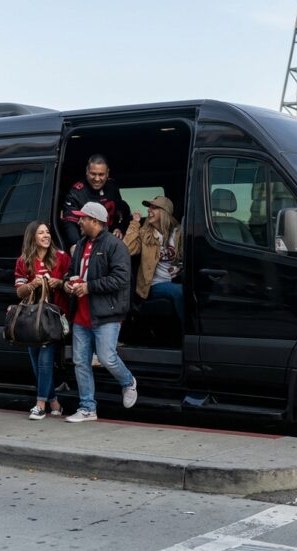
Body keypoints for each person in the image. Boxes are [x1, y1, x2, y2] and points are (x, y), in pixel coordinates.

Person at [63, 201, 137, 423]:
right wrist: (68, 282)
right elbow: (70, 271)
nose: (79, 222)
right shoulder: (81, 244)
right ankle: (87, 408)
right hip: (81, 314)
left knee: (106, 357)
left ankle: (128, 382)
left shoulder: (115, 245)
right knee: (80, 362)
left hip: (106, 313)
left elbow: (121, 278)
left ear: (95, 221)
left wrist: (89, 286)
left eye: (82, 218)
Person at [14, 221, 71, 420]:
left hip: (54, 318)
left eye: (47, 232)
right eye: (41, 233)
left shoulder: (62, 257)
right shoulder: (23, 261)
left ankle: (40, 404)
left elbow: (72, 283)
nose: (46, 235)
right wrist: (32, 284)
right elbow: (19, 292)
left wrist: (60, 283)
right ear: (33, 237)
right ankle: (54, 401)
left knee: (46, 360)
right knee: (36, 362)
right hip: (32, 320)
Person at [123, 195, 184, 325]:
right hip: (154, 284)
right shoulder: (145, 234)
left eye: (154, 207)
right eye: (149, 207)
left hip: (175, 279)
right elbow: (127, 249)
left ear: (165, 212)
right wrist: (135, 223)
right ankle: (188, 330)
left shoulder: (178, 233)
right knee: (180, 292)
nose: (149, 210)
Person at [60, 155, 131, 249]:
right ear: (87, 171)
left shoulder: (112, 187)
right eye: (93, 174)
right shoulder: (76, 193)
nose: (97, 179)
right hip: (85, 244)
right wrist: (75, 245)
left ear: (107, 173)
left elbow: (120, 213)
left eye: (101, 174)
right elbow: (70, 223)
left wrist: (119, 228)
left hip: (109, 243)